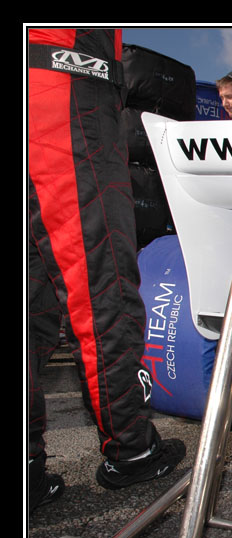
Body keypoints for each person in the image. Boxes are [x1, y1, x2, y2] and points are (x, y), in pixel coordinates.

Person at [28, 28, 186, 509]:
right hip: (65, 96)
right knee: (102, 291)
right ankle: (131, 448)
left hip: (46, 87)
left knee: (32, 303)